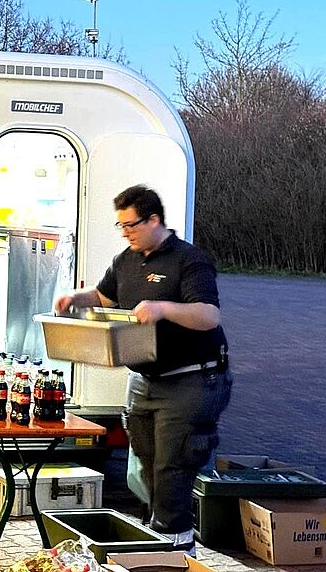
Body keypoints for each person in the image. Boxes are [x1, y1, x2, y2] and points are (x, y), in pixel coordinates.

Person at [54, 185, 231, 551]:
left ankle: (177, 544)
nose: (125, 233)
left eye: (130, 225)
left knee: (173, 465)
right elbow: (104, 296)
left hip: (192, 379)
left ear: (153, 220)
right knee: (145, 463)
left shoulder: (189, 260)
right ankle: (158, 535)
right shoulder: (127, 260)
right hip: (145, 378)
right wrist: (75, 298)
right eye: (120, 226)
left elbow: (208, 315)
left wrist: (163, 309)